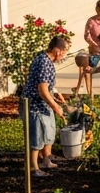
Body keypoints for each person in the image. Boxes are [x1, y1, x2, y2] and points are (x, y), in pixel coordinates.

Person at [23, 36, 69, 177]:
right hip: (34, 105)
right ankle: (33, 168)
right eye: (64, 50)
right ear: (57, 50)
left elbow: (48, 87)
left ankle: (46, 160)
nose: (64, 54)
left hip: (43, 103)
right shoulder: (43, 62)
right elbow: (42, 90)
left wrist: (55, 99)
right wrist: (55, 106)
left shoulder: (47, 61)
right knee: (36, 136)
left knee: (48, 131)